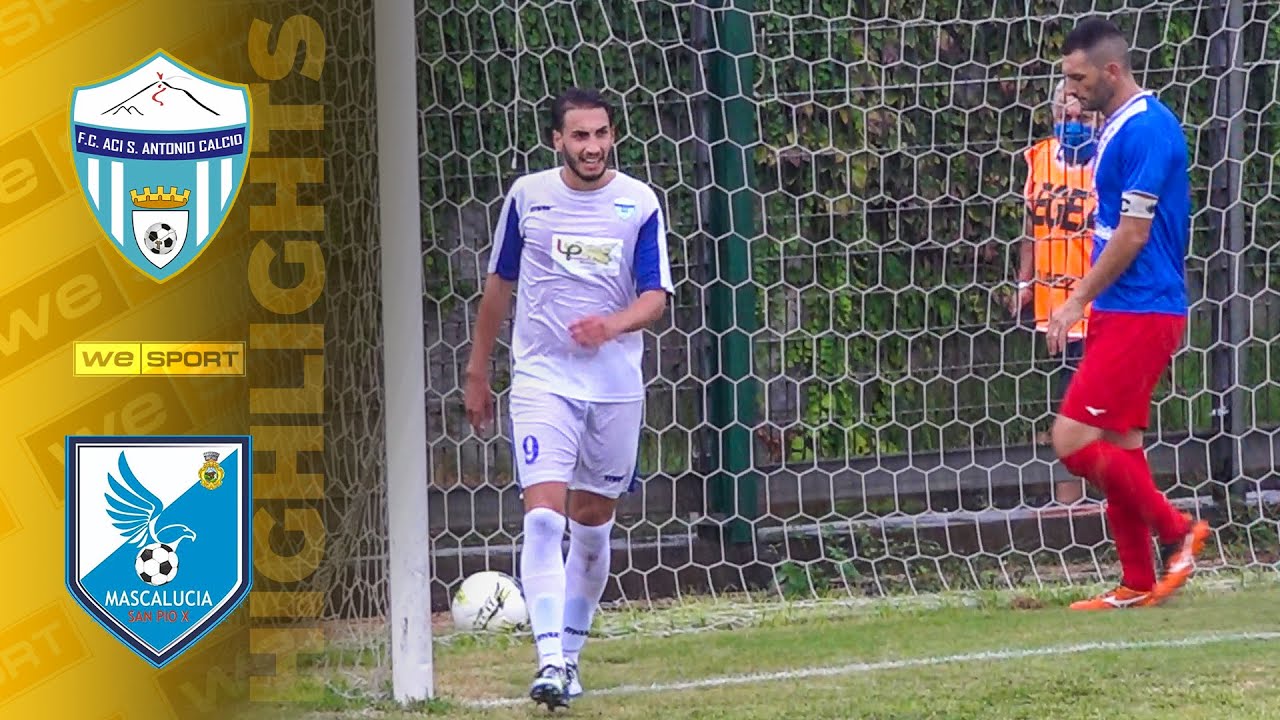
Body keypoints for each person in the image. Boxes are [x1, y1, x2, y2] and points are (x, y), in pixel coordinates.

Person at [464, 87, 674, 708]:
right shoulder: (528, 198)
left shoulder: (638, 203)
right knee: (543, 516)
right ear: (558, 139)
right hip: (542, 379)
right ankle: (549, 661)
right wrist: (478, 371)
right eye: (580, 136)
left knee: (590, 525)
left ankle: (572, 658)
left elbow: (655, 297)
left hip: (613, 387)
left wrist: (610, 325)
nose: (593, 147)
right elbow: (500, 285)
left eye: (601, 134)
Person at [1048, 18, 1209, 611]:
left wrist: (1073, 300)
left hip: (1142, 308)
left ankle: (1178, 530)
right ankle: (1136, 583)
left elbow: (1134, 234)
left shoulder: (1149, 130)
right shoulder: (1117, 126)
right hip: (1127, 307)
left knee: (1071, 438)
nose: (1071, 87)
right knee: (1120, 447)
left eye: (1078, 76)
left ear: (1112, 71)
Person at [1009, 80, 1101, 504]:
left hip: (1096, 303)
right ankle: (1087, 498)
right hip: (1053, 305)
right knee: (1074, 399)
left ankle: (1073, 503)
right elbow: (1031, 229)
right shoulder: (1041, 157)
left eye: (1082, 116)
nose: (1074, 123)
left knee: (1078, 402)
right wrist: (1024, 282)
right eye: (1067, 116)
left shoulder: (1109, 161)